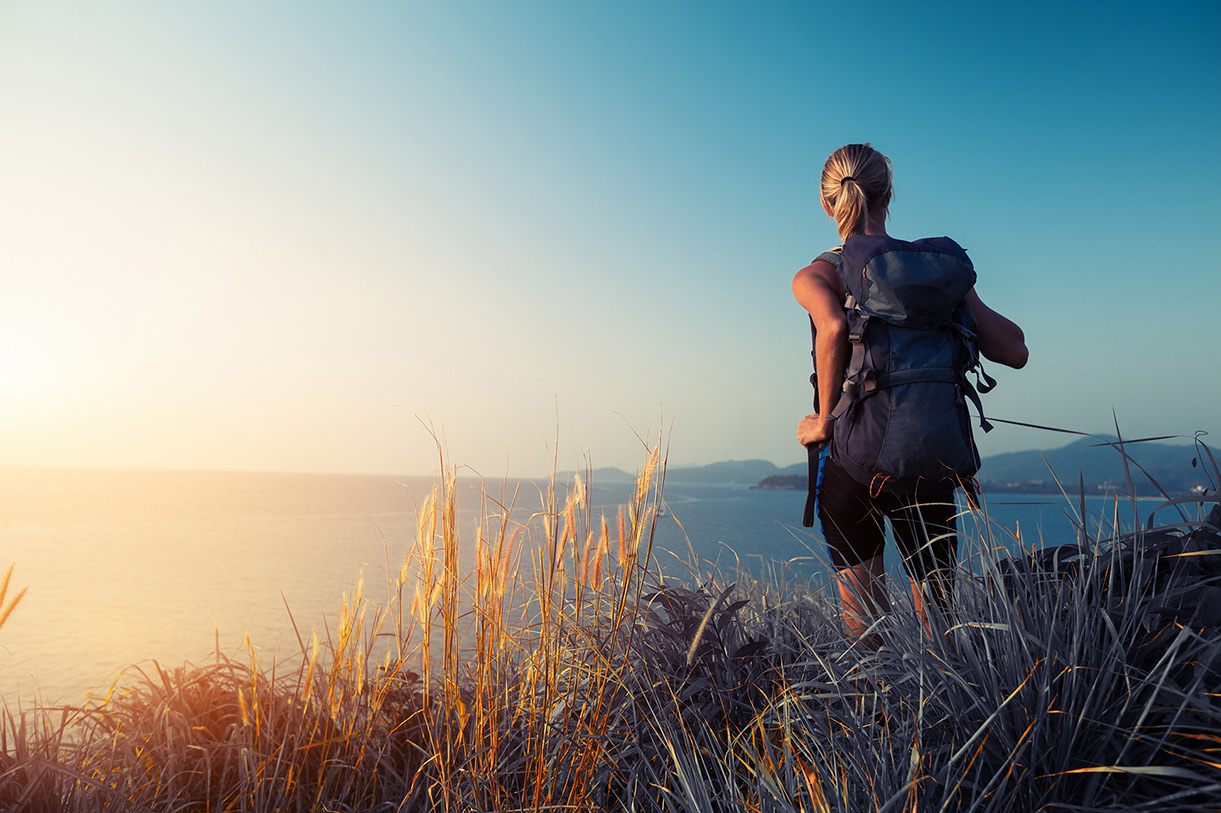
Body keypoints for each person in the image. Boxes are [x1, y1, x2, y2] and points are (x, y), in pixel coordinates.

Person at [792, 143, 1028, 642]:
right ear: (889, 194)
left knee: (866, 635)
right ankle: (946, 713)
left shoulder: (819, 274)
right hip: (931, 462)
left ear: (825, 202)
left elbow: (832, 328)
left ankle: (872, 713)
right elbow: (1015, 349)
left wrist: (822, 420)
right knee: (939, 627)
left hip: (854, 466)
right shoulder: (935, 274)